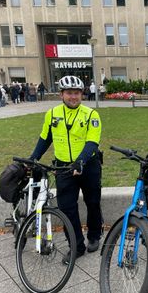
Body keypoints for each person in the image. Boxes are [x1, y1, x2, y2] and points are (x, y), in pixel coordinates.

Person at [30, 75, 104, 263]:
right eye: (69, 93)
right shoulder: (52, 114)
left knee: (93, 202)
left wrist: (80, 161)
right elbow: (45, 138)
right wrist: (33, 158)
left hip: (88, 166)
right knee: (66, 208)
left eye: (77, 93)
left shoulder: (91, 115)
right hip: (63, 168)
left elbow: (92, 142)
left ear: (82, 94)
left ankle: (94, 235)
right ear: (62, 94)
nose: (73, 97)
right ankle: (76, 246)